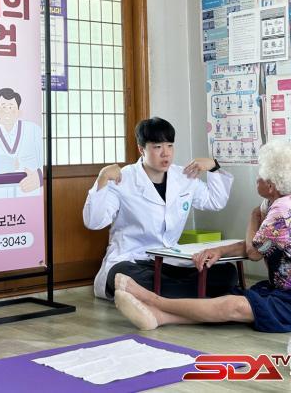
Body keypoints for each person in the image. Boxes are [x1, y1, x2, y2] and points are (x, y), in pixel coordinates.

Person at [113, 141, 291, 333]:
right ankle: (159, 317)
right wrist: (219, 251)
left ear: (271, 186)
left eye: (260, 177)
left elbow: (253, 253)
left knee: (235, 305)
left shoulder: (283, 209)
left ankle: (154, 301)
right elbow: (259, 244)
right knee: (235, 301)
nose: (256, 180)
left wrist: (253, 217)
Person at [83, 117, 236, 300]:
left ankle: (165, 295)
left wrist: (213, 167)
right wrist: (102, 179)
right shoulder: (123, 179)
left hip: (171, 259)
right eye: (157, 147)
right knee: (122, 276)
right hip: (134, 259)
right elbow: (94, 222)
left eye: (170, 146)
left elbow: (215, 201)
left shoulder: (184, 176)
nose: (166, 153)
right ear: (141, 149)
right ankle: (191, 294)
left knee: (227, 272)